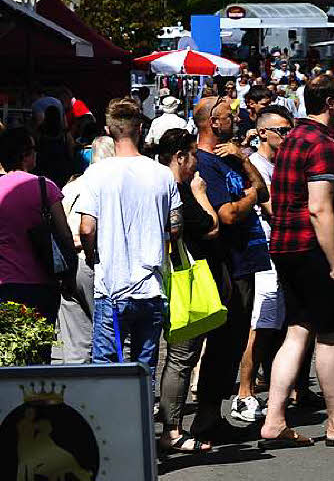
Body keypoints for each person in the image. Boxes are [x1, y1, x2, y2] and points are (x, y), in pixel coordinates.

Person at [259, 75, 334, 450]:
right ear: (328, 102)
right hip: (314, 249)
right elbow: (319, 207)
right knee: (329, 337)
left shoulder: (291, 138)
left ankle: (274, 419)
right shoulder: (322, 144)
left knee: (297, 330)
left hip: (285, 246)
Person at [79, 99, 180, 384]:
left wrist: (92, 256)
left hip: (111, 286)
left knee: (106, 369)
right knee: (143, 369)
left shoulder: (96, 174)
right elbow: (175, 227)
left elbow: (87, 228)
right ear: (140, 128)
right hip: (150, 287)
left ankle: (107, 427)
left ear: (109, 130)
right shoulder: (162, 174)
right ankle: (141, 426)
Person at [192, 96, 272, 440]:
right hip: (228, 263)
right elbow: (228, 214)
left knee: (235, 339)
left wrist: (244, 161)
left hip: (247, 260)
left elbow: (264, 190)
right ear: (213, 122)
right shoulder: (205, 163)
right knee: (224, 342)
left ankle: (214, 415)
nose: (236, 119)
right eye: (228, 116)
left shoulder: (231, 156)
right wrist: (251, 195)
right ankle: (206, 418)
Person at [156, 129, 222, 454]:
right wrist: (201, 194)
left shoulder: (153, 183)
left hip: (152, 277)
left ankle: (165, 422)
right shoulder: (181, 189)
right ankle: (172, 429)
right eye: (193, 155)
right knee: (181, 356)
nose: (196, 162)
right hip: (180, 279)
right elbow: (211, 225)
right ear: (180, 156)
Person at [236, 106, 293, 423]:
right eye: (282, 131)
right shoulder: (254, 165)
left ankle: (274, 387)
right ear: (262, 133)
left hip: (281, 252)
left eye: (290, 129)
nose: (288, 136)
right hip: (263, 256)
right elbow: (271, 208)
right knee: (260, 326)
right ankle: (244, 392)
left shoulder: (280, 164)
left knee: (277, 327)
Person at [0, 126, 77, 362]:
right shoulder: (45, 187)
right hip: (42, 287)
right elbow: (65, 236)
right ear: (25, 155)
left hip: (4, 286)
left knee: (7, 354)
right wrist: (70, 277)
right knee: (40, 355)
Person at [55, 136, 115, 364]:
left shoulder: (71, 187)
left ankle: (73, 391)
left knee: (74, 339)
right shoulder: (105, 186)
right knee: (104, 333)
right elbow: (89, 229)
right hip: (92, 262)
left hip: (68, 264)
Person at [34, 104, 74, 187]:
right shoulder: (65, 133)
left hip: (44, 166)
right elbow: (71, 152)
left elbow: (36, 148)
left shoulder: (40, 131)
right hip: (61, 168)